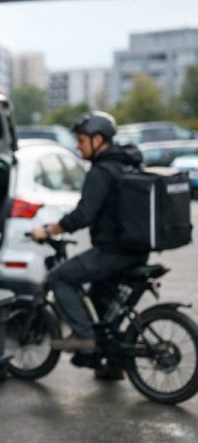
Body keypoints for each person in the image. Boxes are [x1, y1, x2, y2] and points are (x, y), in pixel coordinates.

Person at [30, 111, 148, 357]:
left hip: (112, 252)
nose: (77, 145)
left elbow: (84, 215)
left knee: (58, 278)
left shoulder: (102, 171)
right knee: (101, 302)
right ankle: (113, 363)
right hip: (136, 250)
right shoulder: (127, 164)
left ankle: (83, 336)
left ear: (98, 140)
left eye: (82, 140)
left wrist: (50, 229)